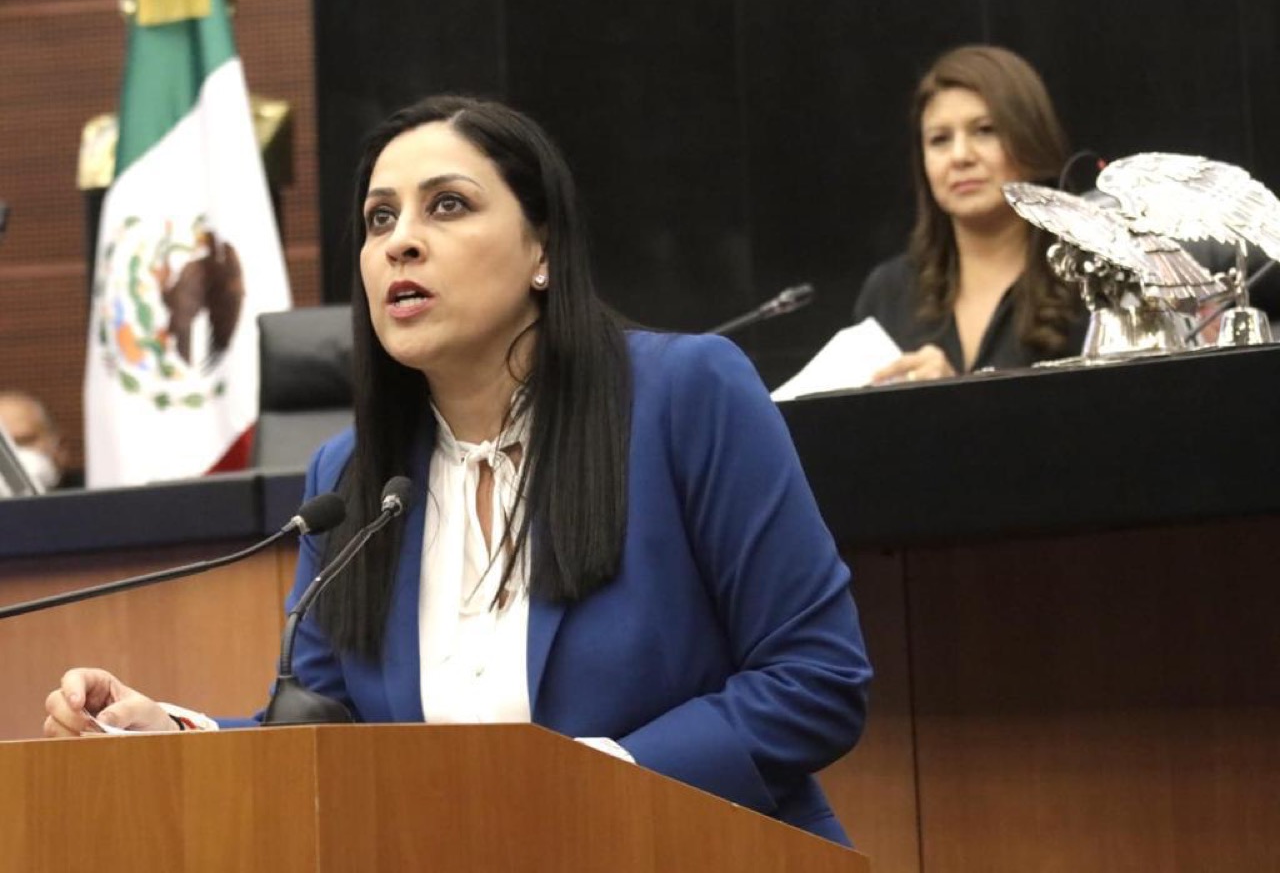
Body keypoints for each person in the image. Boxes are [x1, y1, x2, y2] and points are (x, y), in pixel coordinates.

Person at [44, 95, 872, 844]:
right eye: (379, 219)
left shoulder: (686, 397)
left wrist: (595, 783)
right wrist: (171, 735)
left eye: (447, 205)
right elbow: (325, 735)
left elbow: (816, 679)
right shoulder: (352, 481)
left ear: (543, 248)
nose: (400, 240)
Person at [855, 45, 1084, 381]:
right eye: (940, 140)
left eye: (985, 130)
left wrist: (952, 398)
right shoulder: (889, 291)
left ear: (1031, 139)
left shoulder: (1092, 281)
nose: (960, 156)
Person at [0, 390, 69, 492]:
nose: (11, 457)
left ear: (61, 448)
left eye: (23, 441)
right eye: (2, 449)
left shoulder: (92, 493)